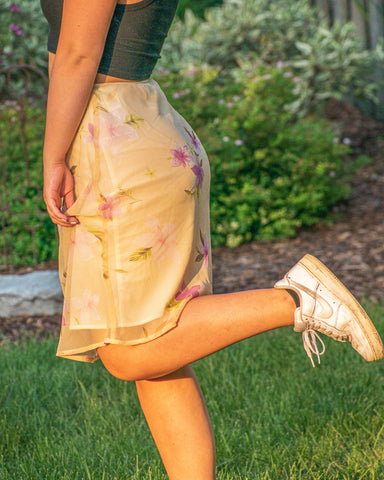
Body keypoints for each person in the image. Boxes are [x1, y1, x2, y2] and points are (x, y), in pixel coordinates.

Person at [40, 1, 384, 478]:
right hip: (138, 131)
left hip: (113, 143)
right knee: (158, 352)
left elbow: (78, 55)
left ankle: (295, 300)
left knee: (128, 352)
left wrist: (53, 157)